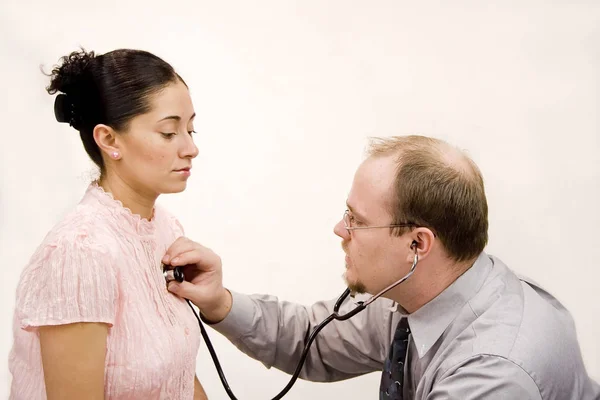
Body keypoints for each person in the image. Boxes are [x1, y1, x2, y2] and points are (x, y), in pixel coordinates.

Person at [163, 135, 600, 399]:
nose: (339, 229)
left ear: (417, 243)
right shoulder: (423, 295)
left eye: (357, 220)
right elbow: (311, 341)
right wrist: (219, 302)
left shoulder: (491, 373)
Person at [9, 48, 208, 400]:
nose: (191, 148)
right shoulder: (80, 254)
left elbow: (178, 378)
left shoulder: (165, 229)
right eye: (168, 132)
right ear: (109, 140)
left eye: (191, 128)